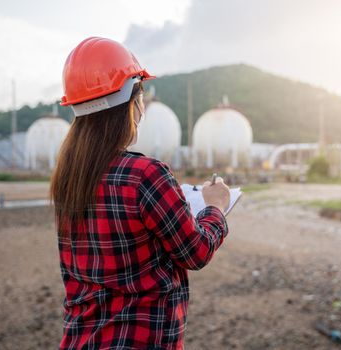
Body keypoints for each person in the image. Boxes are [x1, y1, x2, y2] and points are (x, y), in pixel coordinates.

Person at [50, 37, 231, 350]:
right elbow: (195, 252)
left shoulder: (68, 177)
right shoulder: (145, 175)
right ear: (130, 104)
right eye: (140, 97)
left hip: (81, 340)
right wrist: (214, 207)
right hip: (141, 340)